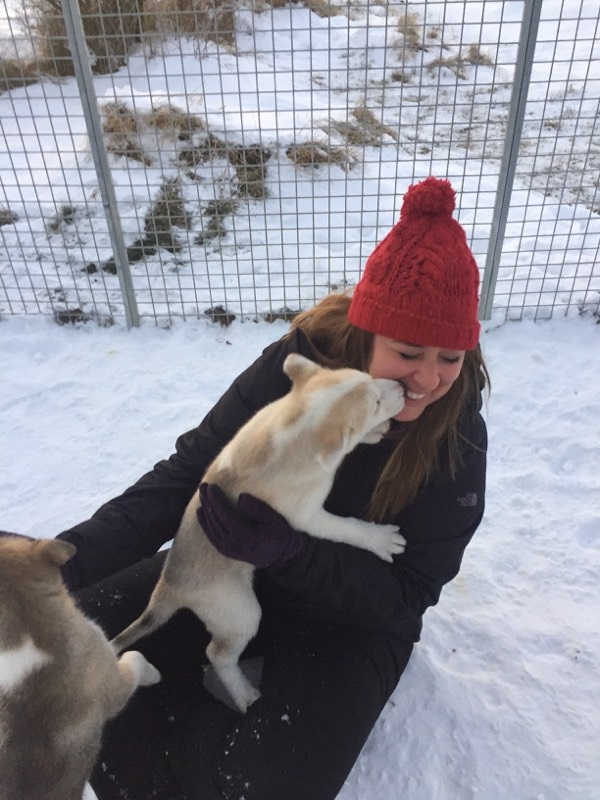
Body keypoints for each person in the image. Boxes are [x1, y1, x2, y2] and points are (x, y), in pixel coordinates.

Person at [50, 176, 487, 799]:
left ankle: (203, 754)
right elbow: (187, 475)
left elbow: (407, 595)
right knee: (72, 643)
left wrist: (293, 553)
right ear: (368, 332)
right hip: (230, 571)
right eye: (409, 351)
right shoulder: (299, 366)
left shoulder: (456, 441)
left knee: (262, 788)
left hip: (350, 620)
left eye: (451, 357)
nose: (429, 378)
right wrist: (53, 567)